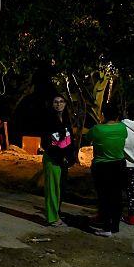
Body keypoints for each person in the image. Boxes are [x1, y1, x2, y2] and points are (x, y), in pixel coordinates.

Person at [86, 110, 127, 237]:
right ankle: (114, 226)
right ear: (117, 116)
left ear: (103, 114)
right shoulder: (122, 127)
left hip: (102, 166)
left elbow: (88, 137)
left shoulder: (97, 129)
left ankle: (106, 227)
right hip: (119, 164)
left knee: (105, 196)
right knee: (117, 196)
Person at [41, 95, 75, 227]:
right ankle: (52, 218)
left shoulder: (66, 119)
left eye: (61, 102)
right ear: (52, 104)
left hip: (64, 160)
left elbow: (70, 139)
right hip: (52, 158)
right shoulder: (47, 120)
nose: (58, 104)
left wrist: (70, 157)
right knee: (52, 189)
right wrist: (60, 157)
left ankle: (56, 214)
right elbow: (46, 143)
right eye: (55, 102)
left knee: (61, 188)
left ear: (65, 104)